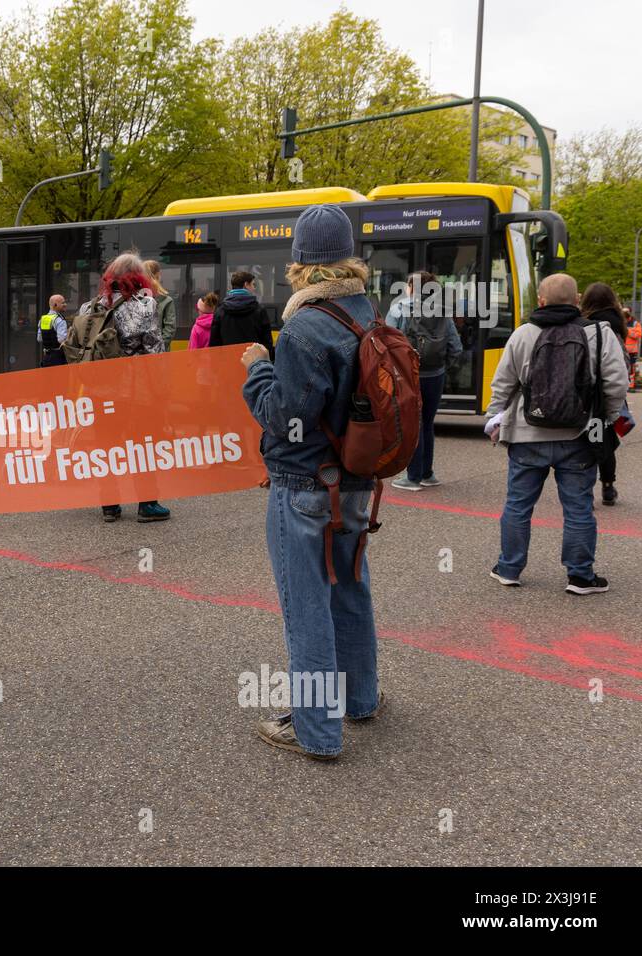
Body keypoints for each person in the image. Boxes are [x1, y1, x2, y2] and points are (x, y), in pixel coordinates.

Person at [240, 203, 384, 760]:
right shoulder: (366, 312)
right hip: (355, 479)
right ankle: (361, 698)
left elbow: (285, 419)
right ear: (349, 258)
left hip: (304, 484)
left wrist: (258, 368)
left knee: (306, 606)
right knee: (349, 588)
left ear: (300, 262)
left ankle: (317, 731)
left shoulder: (305, 326)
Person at [484, 273, 627, 595]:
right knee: (578, 507)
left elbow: (504, 383)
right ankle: (580, 576)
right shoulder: (599, 334)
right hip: (578, 436)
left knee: (518, 505)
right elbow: (617, 383)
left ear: (541, 301)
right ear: (576, 301)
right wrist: (608, 420)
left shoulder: (523, 334)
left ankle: (509, 568)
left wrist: (494, 418)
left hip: (526, 434)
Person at [81, 252, 169, 523]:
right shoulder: (145, 305)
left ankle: (109, 505)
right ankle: (147, 504)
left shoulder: (91, 306)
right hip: (135, 391)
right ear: (138, 276)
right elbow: (155, 350)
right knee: (142, 444)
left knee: (105, 445)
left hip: (100, 390)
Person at [387, 271, 463, 491]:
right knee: (427, 424)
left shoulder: (400, 308)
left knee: (413, 424)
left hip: (409, 376)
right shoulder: (442, 311)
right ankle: (427, 474)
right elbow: (455, 348)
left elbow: (387, 341)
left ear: (412, 286)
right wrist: (441, 367)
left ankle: (412, 477)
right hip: (435, 376)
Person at [579, 283, 629, 505]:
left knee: (586, 442)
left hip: (584, 392)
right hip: (607, 392)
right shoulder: (617, 325)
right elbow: (621, 367)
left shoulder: (583, 325)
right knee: (605, 439)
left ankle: (584, 490)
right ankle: (608, 486)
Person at [212, 270, 275, 358]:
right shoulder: (259, 310)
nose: (254, 288)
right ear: (246, 285)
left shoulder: (220, 311)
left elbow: (214, 344)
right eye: (253, 284)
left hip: (229, 363)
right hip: (253, 365)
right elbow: (267, 343)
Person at [144, 261, 177, 351]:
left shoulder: (137, 299)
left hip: (140, 354)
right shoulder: (167, 301)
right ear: (158, 275)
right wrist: (158, 348)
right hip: (160, 354)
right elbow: (170, 329)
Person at [38, 294, 69, 367]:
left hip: (46, 358)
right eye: (63, 303)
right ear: (55, 305)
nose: (65, 304)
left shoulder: (43, 319)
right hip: (58, 358)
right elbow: (61, 340)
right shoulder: (60, 320)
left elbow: (39, 339)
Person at [623, 308, 640, 392]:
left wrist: (628, 332)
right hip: (623, 350)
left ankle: (631, 386)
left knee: (632, 369)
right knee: (623, 368)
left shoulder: (635, 323)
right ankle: (625, 385)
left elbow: (638, 335)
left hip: (632, 351)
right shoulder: (621, 322)